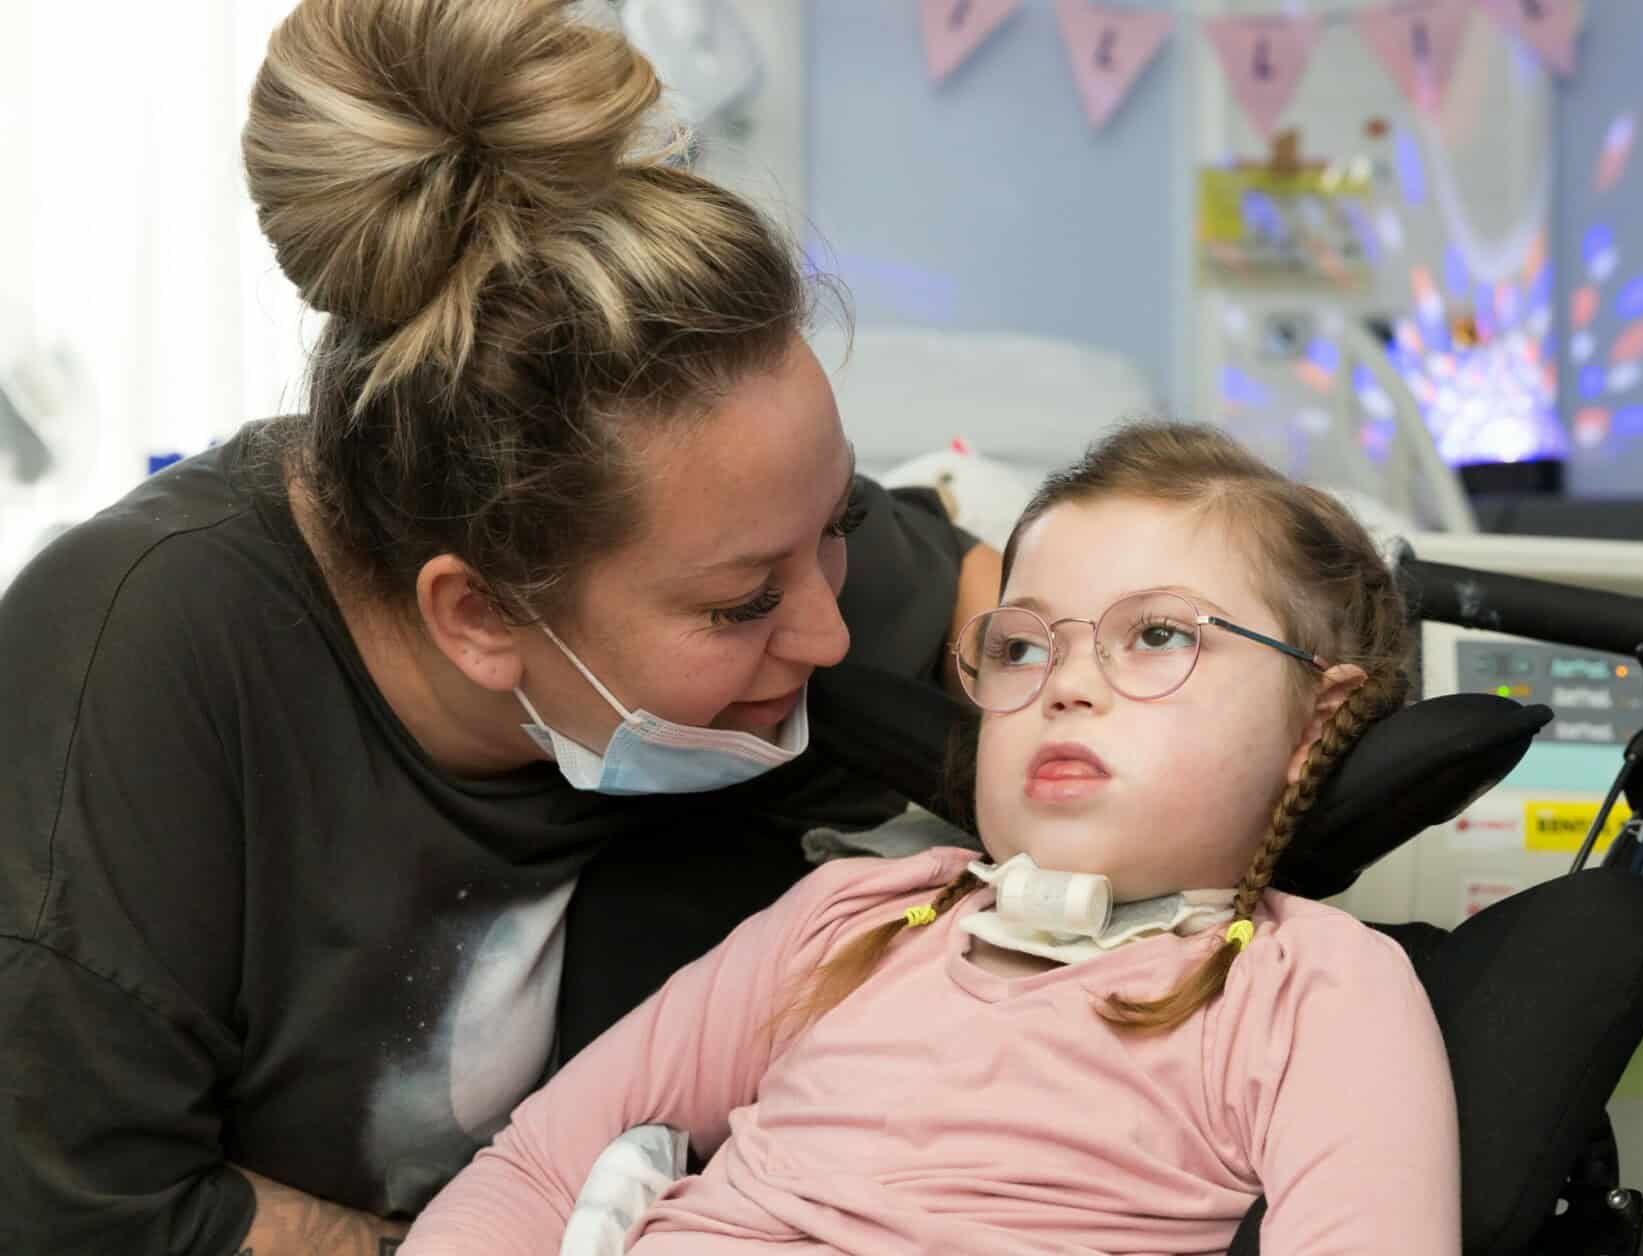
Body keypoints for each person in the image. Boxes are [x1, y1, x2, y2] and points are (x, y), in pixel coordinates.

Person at [0, 2, 999, 1253]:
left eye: (837, 522)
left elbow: (1040, 635)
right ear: (475, 612)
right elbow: (92, 1213)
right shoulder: (141, 662)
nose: (828, 631)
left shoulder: (751, 512)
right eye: (744, 603)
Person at [399, 421, 1462, 1256]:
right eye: (1026, 644)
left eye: (1161, 634)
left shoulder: (1311, 990)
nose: (1069, 684)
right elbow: (536, 1171)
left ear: (1316, 722)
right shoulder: (849, 918)